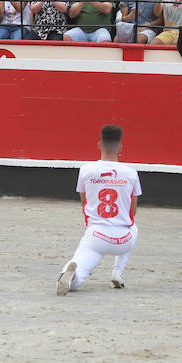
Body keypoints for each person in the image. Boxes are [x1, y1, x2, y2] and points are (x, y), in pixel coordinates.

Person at [56, 124, 141, 295]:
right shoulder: (131, 173)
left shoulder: (86, 170)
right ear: (121, 148)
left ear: (99, 145)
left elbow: (84, 203)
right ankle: (117, 271)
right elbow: (133, 210)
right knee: (133, 226)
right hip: (124, 240)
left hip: (97, 237)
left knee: (78, 271)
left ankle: (69, 275)